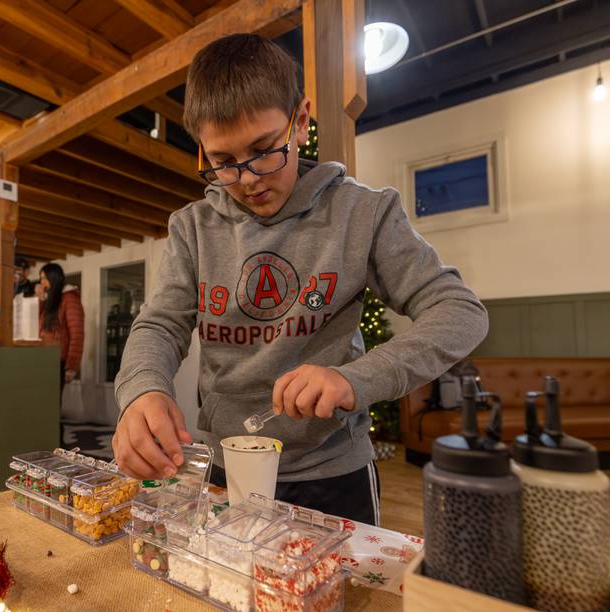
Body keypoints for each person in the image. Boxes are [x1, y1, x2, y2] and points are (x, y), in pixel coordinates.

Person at [111, 34, 489, 525]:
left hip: (332, 473)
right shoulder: (192, 229)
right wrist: (143, 390)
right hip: (226, 469)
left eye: (265, 149)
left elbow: (460, 312)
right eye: (223, 163)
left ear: (302, 120)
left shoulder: (364, 213)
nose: (248, 180)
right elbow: (159, 326)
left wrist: (354, 379)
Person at [38, 263, 85, 392]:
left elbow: (77, 334)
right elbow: (39, 326)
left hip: (59, 360)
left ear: (53, 278)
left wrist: (71, 366)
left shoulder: (70, 299)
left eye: (44, 278)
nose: (41, 282)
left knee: (52, 401)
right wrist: (41, 300)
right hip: (44, 358)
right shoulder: (52, 300)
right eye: (40, 278)